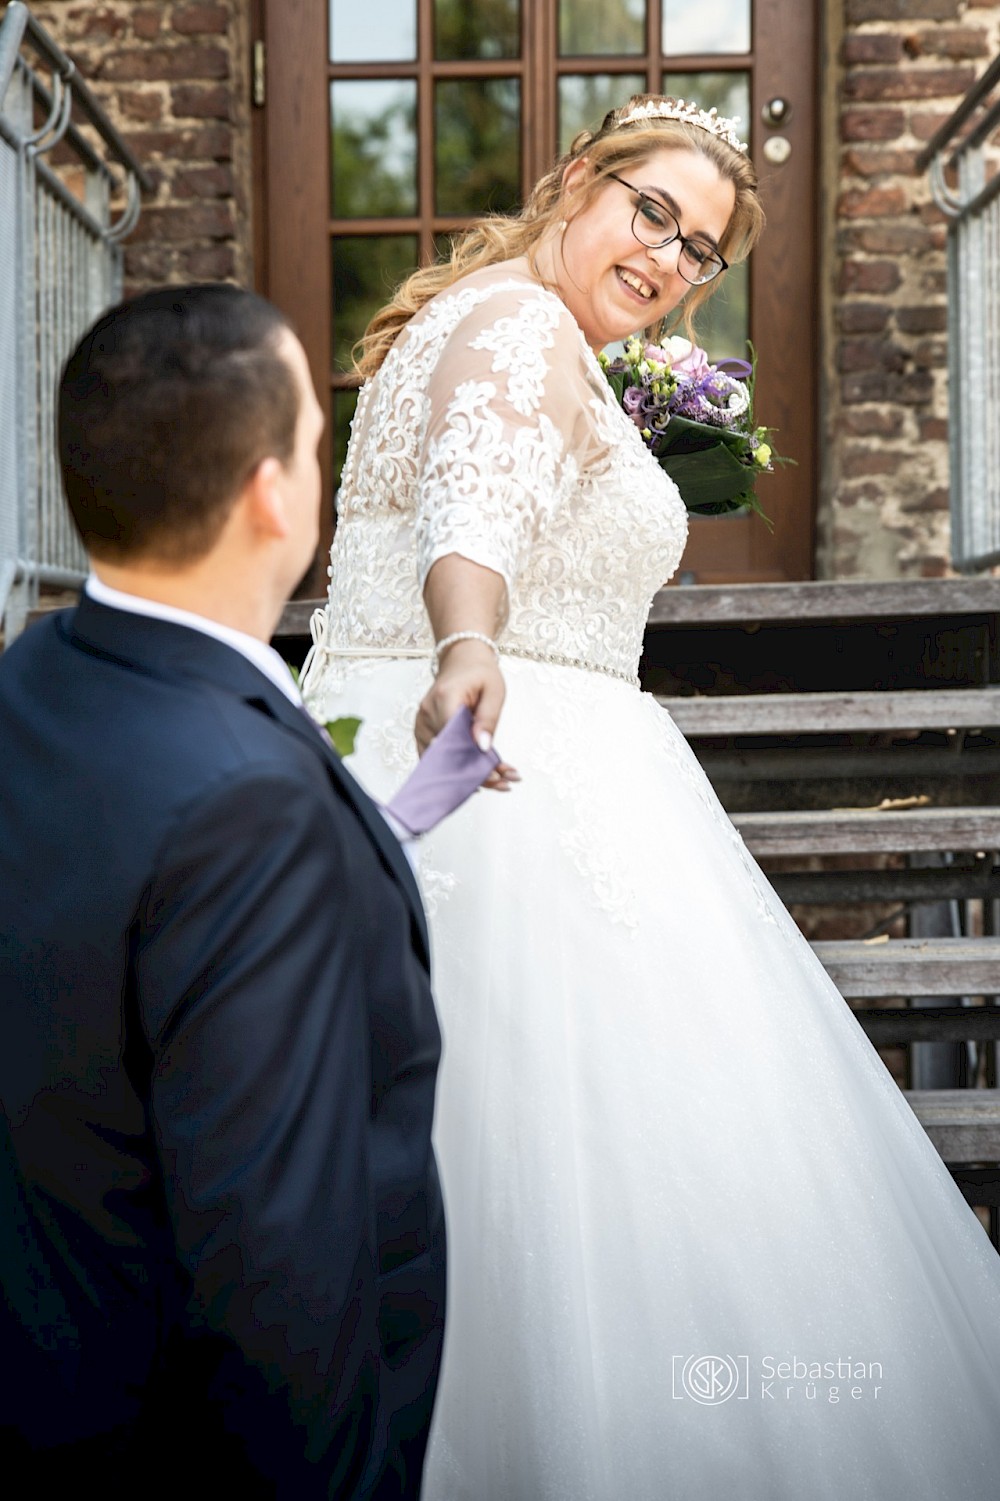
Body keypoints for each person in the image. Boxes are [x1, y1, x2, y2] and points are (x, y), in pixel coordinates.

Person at [301, 97, 1000, 1498]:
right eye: (651, 211)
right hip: (498, 767)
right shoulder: (514, 328)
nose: (670, 257)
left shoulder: (503, 313)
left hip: (473, 743)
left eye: (700, 251)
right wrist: (470, 649)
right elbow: (471, 515)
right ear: (578, 179)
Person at [0, 285, 445, 1497]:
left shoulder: (35, 678)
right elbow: (277, 1270)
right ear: (270, 492)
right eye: (314, 438)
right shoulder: (252, 800)